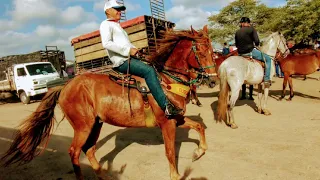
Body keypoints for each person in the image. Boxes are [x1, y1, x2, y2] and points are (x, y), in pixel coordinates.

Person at [99, 0, 182, 117]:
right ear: (108, 11)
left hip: (128, 58)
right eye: (117, 9)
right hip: (121, 62)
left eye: (121, 10)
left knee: (154, 65)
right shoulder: (105, 24)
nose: (120, 12)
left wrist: (136, 50)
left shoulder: (117, 26)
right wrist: (128, 51)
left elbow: (126, 44)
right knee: (148, 71)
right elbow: (106, 44)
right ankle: (166, 106)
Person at [235, 17, 272, 86]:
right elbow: (257, 41)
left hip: (240, 53)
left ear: (242, 23)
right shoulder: (252, 29)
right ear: (248, 23)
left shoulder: (237, 32)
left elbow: (237, 44)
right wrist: (256, 45)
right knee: (268, 59)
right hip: (250, 51)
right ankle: (266, 79)